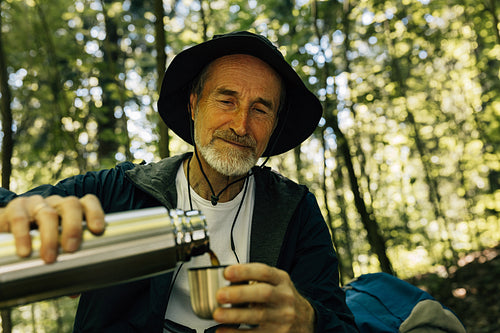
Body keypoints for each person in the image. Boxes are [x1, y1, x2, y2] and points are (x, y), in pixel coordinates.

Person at [0, 31, 357, 332]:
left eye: (261, 110)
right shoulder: (122, 189)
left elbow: (340, 322)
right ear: (193, 104)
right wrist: (15, 212)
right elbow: (16, 207)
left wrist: (307, 320)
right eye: (226, 100)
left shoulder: (295, 211)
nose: (241, 125)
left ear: (274, 126)